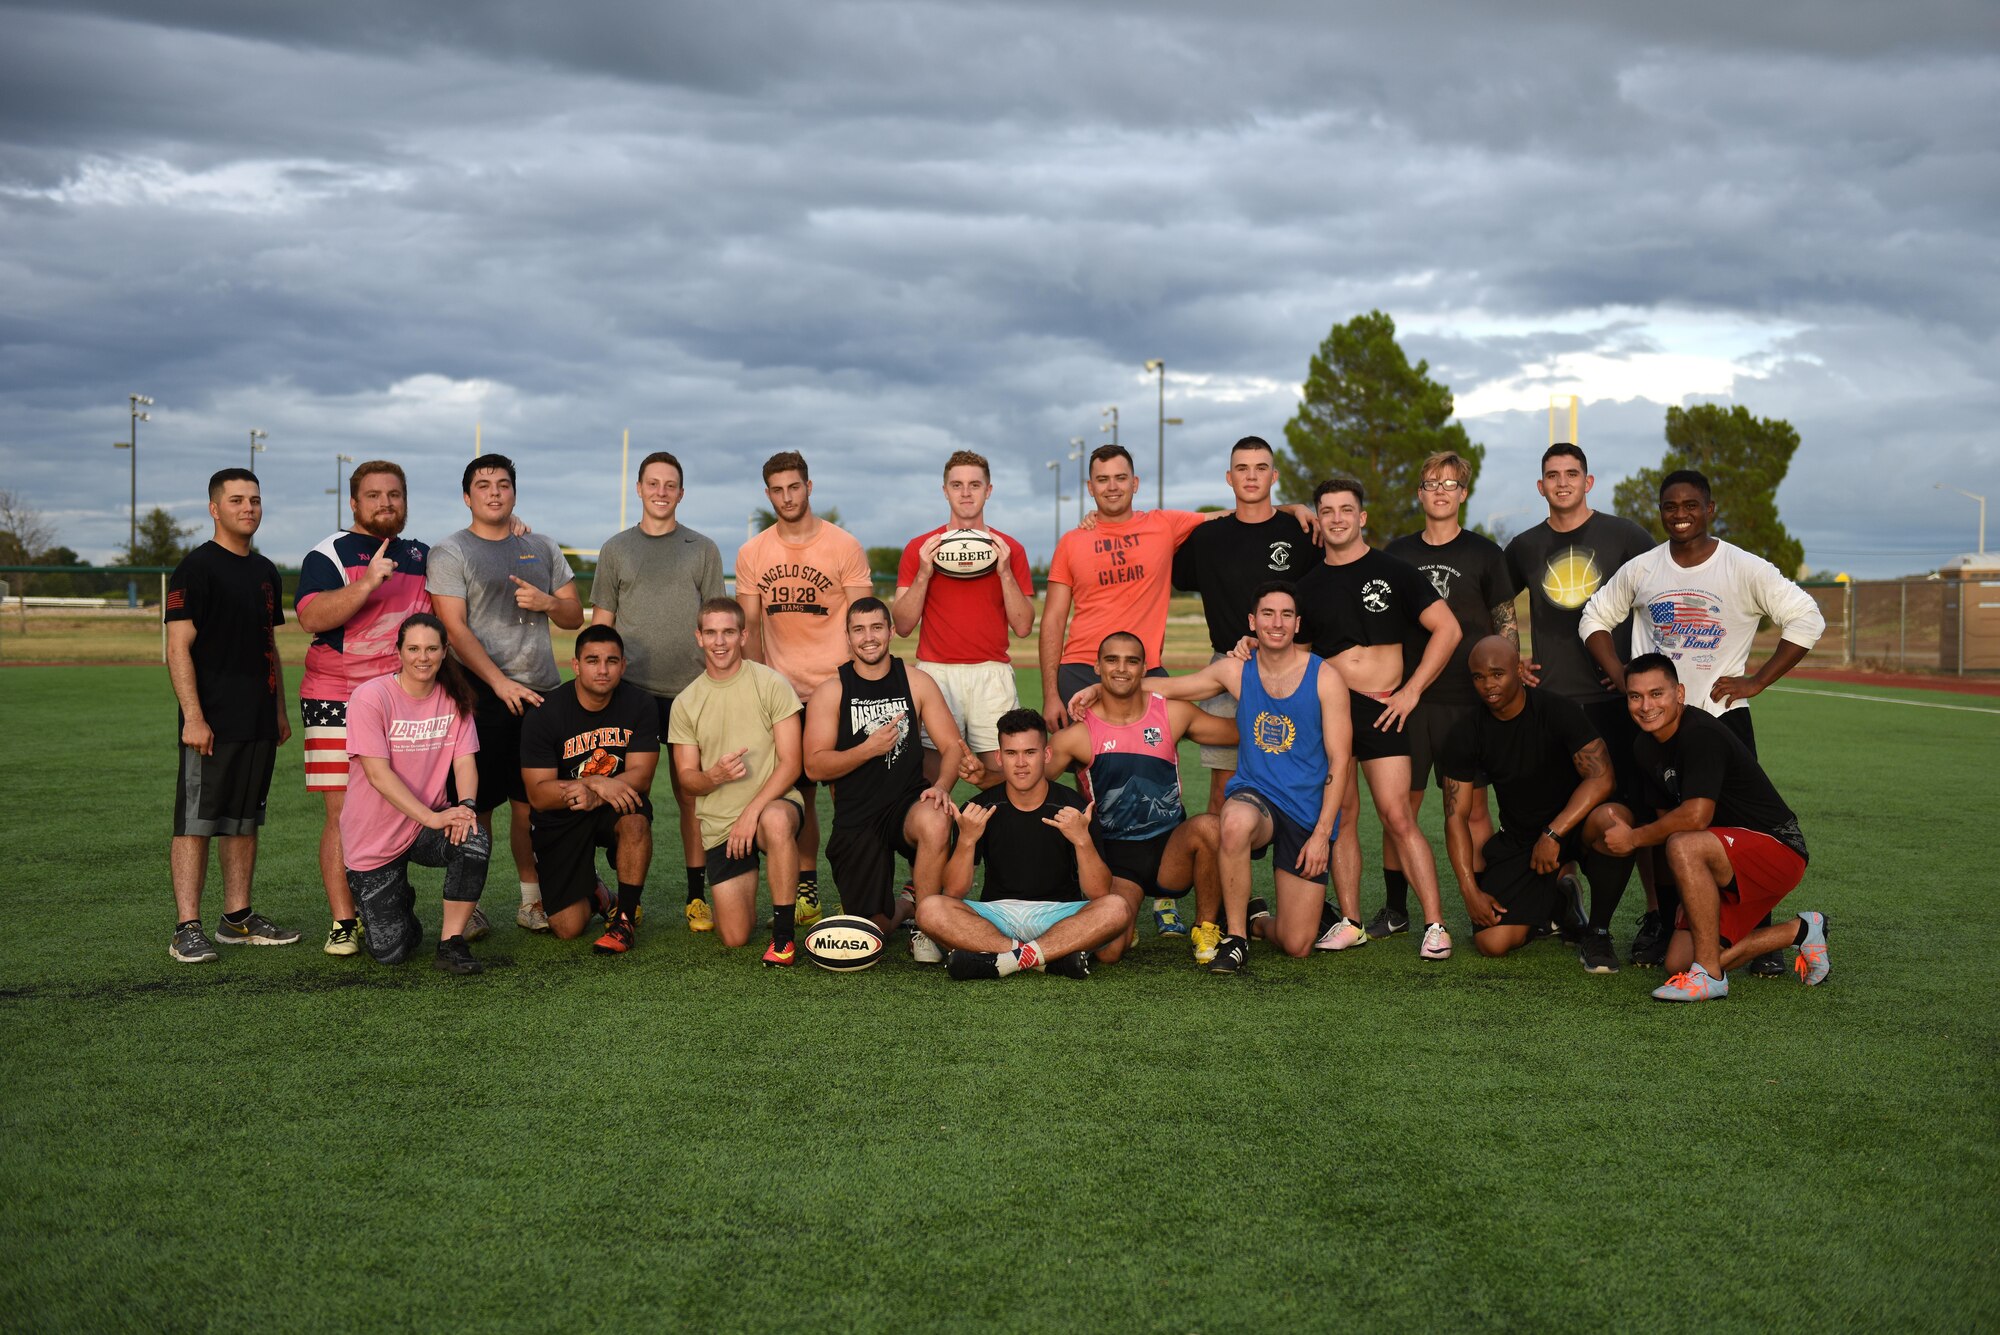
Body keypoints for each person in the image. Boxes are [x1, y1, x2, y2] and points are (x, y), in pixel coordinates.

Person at [1579, 468, 1826, 977]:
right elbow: (1593, 618)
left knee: (1739, 829)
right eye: (1671, 506)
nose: (1681, 515)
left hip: (1719, 721)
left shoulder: (1743, 568)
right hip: (1655, 724)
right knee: (1664, 825)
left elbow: (1807, 618)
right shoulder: (1644, 569)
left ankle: (1767, 938)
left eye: (1691, 505)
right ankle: (1671, 926)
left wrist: (1756, 681)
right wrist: (1624, 677)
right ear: (1661, 511)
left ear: (1710, 509)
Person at [1075, 584, 1352, 973]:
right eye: (1268, 614)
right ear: (1253, 622)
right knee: (1233, 821)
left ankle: (1259, 925)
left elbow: (1340, 760)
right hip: (1258, 796)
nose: (1277, 622)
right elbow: (1172, 687)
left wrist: (1323, 833)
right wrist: (1100, 686)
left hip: (1306, 808)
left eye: (1286, 615)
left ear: (1297, 623)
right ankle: (1235, 938)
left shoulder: (1325, 678)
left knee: (1297, 944)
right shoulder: (1236, 670)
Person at [1290, 478, 1460, 959]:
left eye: (1347, 509)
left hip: (1385, 706)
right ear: (1318, 521)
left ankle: (1435, 925)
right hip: (1332, 712)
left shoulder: (1395, 571)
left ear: (1362, 517)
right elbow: (1298, 660)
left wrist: (1410, 692)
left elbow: (1447, 629)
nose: (1338, 518)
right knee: (1341, 817)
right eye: (1328, 511)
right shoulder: (1307, 586)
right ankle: (1351, 921)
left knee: (1398, 815)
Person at [1597, 655, 1830, 1002]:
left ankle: (1709, 976)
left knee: (1684, 844)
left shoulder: (1700, 733)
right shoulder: (1644, 746)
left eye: (1657, 694)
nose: (1646, 706)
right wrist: (1689, 889)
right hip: (1721, 858)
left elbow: (1695, 818)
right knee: (1676, 963)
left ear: (1680, 693)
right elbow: (1665, 822)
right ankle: (1803, 930)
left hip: (1778, 848)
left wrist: (1631, 838)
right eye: (1635, 696)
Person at [1503, 444, 1657, 957]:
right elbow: (1493, 601)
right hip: (1552, 700)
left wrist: (1641, 666)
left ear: (1588, 482)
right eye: (1552, 475)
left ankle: (1655, 915)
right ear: (1540, 486)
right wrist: (1511, 655)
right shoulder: (1525, 546)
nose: (1562, 482)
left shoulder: (1626, 536)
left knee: (1631, 810)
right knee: (1554, 805)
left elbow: (1662, 593)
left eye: (1572, 474)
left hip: (1617, 702)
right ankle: (1563, 901)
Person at [428, 454, 584, 933]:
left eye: (502, 484)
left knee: (531, 805)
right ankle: (466, 904)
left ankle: (531, 900)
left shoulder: (539, 545)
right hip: (478, 693)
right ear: (466, 495)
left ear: (514, 492)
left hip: (539, 693)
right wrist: (498, 683)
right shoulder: (451, 551)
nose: (493, 492)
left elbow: (575, 616)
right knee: (476, 804)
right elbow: (452, 628)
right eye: (483, 485)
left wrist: (548, 602)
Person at [296, 461, 440, 956]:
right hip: (335, 697)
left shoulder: (421, 554)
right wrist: (366, 584)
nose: (385, 504)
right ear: (354, 503)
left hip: (402, 703)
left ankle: (393, 904)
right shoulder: (330, 551)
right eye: (374, 495)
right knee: (343, 812)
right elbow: (310, 616)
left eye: (394, 495)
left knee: (411, 802)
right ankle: (343, 920)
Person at [1374, 450, 1517, 942]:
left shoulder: (1484, 553)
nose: (1440, 491)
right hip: (1409, 701)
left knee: (1474, 811)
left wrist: (1509, 680)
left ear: (1463, 494)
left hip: (1468, 701)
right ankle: (1396, 908)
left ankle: (1487, 898)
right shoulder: (1397, 554)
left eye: (1450, 484)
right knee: (1403, 808)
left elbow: (1505, 625)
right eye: (1432, 483)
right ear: (1420, 493)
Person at [165, 468, 301, 963]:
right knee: (197, 822)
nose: (249, 508)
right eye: (238, 500)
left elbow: (268, 644)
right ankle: (187, 926)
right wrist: (193, 716)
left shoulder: (265, 571)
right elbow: (178, 647)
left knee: (244, 821)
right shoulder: (195, 569)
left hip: (259, 720)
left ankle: (237, 918)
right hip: (212, 723)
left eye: (255, 500)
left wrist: (279, 710)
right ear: (214, 509)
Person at [589, 450, 726, 936]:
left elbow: (715, 624)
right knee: (629, 793)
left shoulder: (702, 548)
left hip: (692, 692)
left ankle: (695, 896)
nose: (661, 491)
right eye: (653, 483)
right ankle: (628, 900)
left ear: (681, 493)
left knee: (692, 795)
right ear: (640, 488)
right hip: (633, 693)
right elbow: (601, 626)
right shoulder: (616, 548)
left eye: (671, 484)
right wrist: (594, 688)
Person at [736, 450, 873, 930]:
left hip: (837, 688)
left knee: (849, 795)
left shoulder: (843, 546)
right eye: (777, 489)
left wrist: (857, 685)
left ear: (809, 487)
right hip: (782, 692)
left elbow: (863, 621)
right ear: (768, 493)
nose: (787, 497)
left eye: (794, 487)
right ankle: (808, 888)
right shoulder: (754, 552)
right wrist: (755, 685)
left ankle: (856, 892)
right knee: (798, 796)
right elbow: (749, 626)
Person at [1442, 637, 1633, 970]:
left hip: (1574, 825)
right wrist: (1469, 891)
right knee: (1492, 943)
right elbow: (1455, 817)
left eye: (1497, 674)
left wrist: (1554, 833)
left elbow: (1603, 779)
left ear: (1518, 670)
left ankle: (1598, 932)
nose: (1488, 685)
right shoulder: (1465, 731)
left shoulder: (1558, 710)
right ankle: (1559, 902)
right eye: (1478, 677)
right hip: (1521, 837)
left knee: (1614, 820)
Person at [1047, 632, 1235, 964]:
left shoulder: (1172, 714)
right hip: (1117, 857)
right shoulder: (1076, 734)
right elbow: (1031, 779)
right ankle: (1127, 922)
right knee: (1109, 952)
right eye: (1112, 660)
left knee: (1210, 826)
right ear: (1097, 667)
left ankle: (1205, 928)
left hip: (1170, 852)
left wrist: (1278, 708)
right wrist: (984, 776)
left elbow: (1236, 734)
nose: (1122, 669)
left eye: (1131, 661)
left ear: (1144, 668)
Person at [803, 598, 971, 952]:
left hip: (906, 804)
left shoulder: (916, 682)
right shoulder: (832, 691)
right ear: (848, 637)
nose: (869, 637)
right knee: (873, 931)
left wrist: (941, 786)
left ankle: (926, 927)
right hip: (857, 814)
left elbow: (953, 746)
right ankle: (909, 902)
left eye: (877, 627)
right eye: (859, 629)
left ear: (891, 631)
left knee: (937, 818)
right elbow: (814, 765)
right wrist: (869, 748)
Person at [916, 709, 1130, 981]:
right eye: (1011, 753)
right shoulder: (977, 808)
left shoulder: (1074, 808)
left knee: (1117, 908)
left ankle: (1002, 960)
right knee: (929, 909)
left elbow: (1099, 892)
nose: (1020, 763)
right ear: (999, 758)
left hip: (1060, 915)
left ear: (1047, 755)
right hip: (998, 916)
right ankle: (1046, 960)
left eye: (1030, 752)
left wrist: (1082, 840)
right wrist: (967, 839)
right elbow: (954, 891)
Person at [1169, 436, 1311, 826]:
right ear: (1229, 478)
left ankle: (1299, 885)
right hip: (1228, 667)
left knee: (1295, 782)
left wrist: (1296, 509)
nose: (1252, 476)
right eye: (1243, 469)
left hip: (1290, 669)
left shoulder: (1300, 532)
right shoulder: (1206, 538)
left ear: (1274, 475)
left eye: (1261, 468)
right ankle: (1223, 888)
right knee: (1224, 789)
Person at [340, 613, 490, 974]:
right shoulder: (370, 697)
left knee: (473, 839)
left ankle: (451, 943)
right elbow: (377, 774)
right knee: (392, 951)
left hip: (425, 827)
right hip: (375, 833)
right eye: (413, 649)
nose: (422, 657)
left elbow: (465, 763)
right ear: (399, 652)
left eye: (431, 649)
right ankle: (399, 899)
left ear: (444, 652)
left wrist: (466, 808)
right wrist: (434, 816)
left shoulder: (456, 697)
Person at [670, 598, 807, 965]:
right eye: (711, 632)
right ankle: (755, 880)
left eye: (728, 632)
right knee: (734, 937)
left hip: (771, 808)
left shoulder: (771, 683)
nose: (720, 641)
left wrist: (753, 812)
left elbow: (792, 763)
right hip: (722, 824)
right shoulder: (685, 702)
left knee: (776, 821)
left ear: (743, 635)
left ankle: (783, 939)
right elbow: (687, 780)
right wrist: (713, 775)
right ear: (699, 637)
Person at [892, 450, 1036, 789]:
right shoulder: (920, 548)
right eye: (957, 485)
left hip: (991, 672)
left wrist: (1004, 572)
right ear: (944, 491)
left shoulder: (1009, 547)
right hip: (935, 674)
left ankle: (994, 842)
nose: (966, 493)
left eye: (975, 485)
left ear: (989, 490)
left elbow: (1024, 626)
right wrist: (925, 573)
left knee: (1004, 781)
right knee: (928, 782)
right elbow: (902, 625)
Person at [520, 626, 659, 954]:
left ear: (623, 666)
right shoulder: (546, 712)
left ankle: (623, 919)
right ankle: (598, 893)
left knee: (636, 820)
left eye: (612, 661)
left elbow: (642, 776)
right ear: (576, 665)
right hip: (562, 812)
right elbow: (538, 794)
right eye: (593, 660)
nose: (603, 669)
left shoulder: (639, 704)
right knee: (568, 927)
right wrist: (593, 782)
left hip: (611, 802)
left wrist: (599, 793)